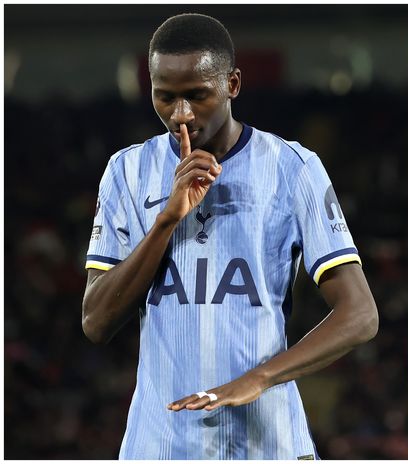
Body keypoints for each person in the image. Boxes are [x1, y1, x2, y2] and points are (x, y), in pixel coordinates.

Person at [81, 13, 378, 459]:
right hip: (159, 445)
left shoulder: (292, 168)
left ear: (232, 85)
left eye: (197, 96)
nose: (181, 114)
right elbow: (96, 321)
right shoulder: (126, 171)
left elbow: (360, 315)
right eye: (165, 97)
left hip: (268, 443)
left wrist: (259, 378)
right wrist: (165, 221)